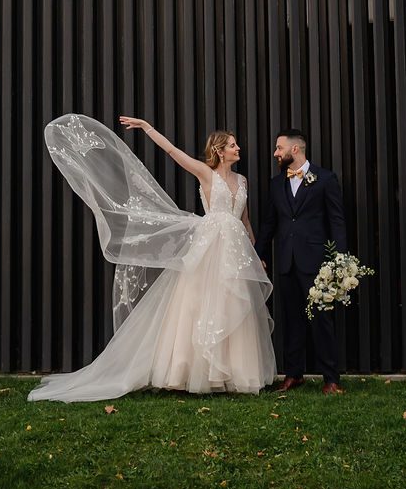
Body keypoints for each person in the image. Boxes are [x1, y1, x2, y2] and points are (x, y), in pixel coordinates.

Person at [29, 113, 276, 401]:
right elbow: (173, 152)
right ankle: (190, 372)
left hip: (236, 249)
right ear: (220, 151)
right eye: (233, 145)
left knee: (234, 304)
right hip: (209, 248)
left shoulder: (242, 180)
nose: (238, 149)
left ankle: (231, 373)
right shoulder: (205, 173)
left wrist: (255, 253)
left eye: (236, 145)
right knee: (201, 304)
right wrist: (148, 128)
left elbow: (244, 220)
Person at [257, 128, 347, 394]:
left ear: (294, 150)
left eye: (279, 148)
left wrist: (339, 260)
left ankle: (331, 379)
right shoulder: (276, 184)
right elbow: (270, 223)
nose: (276, 153)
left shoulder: (325, 179)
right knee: (291, 321)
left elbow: (337, 222)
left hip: (317, 261)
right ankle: (293, 374)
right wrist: (258, 252)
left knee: (322, 321)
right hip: (286, 261)